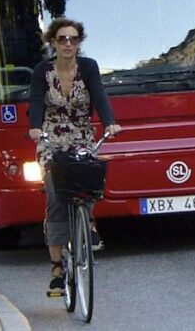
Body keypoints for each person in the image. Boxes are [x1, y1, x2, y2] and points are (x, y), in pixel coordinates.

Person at [28, 17, 121, 293]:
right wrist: (34, 127)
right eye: (62, 39)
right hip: (51, 138)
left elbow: (99, 94)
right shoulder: (42, 71)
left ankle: (88, 222)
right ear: (53, 42)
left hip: (81, 135)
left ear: (79, 43)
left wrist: (109, 122)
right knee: (56, 197)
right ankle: (57, 268)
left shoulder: (89, 67)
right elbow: (35, 100)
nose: (68, 44)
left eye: (73, 39)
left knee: (90, 180)